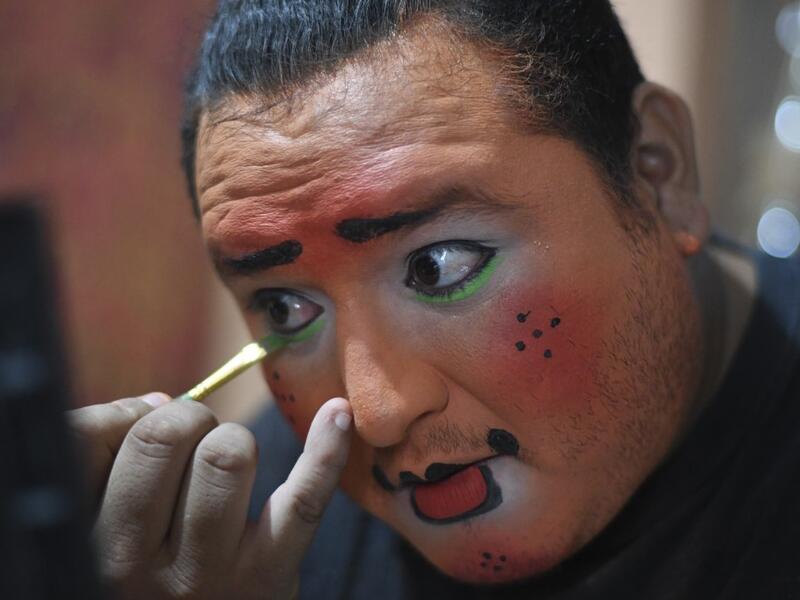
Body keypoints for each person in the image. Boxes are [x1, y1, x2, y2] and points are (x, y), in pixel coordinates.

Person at [68, 1, 800, 598]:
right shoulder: (256, 541)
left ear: (656, 171)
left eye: (439, 266)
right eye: (287, 309)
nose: (380, 413)